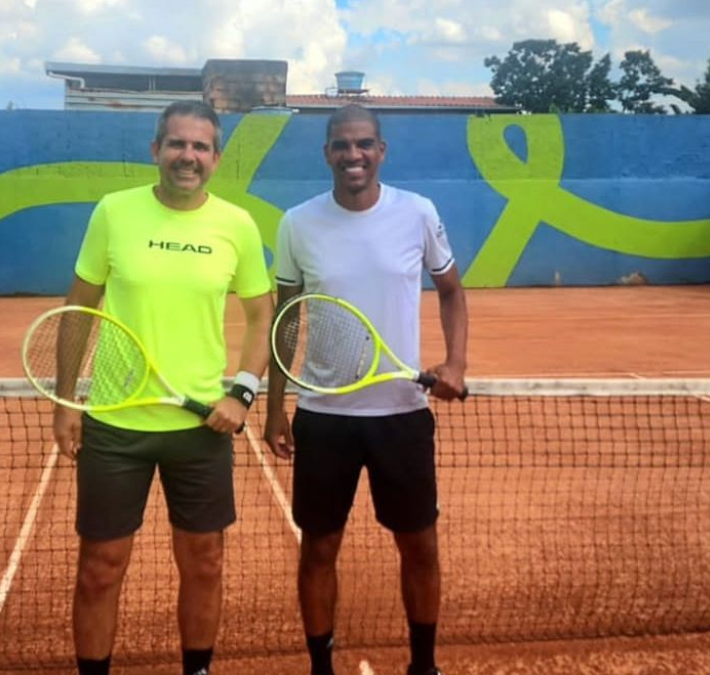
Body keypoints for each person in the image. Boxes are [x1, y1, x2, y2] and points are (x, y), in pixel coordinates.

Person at [54, 100, 274, 675]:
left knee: (205, 563)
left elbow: (261, 317)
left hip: (201, 429)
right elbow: (79, 308)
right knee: (100, 567)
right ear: (156, 150)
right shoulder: (113, 212)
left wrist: (242, 393)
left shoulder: (237, 226)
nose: (188, 156)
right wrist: (64, 400)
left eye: (201, 147)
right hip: (115, 423)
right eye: (177, 144)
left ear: (216, 158)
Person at [263, 103, 468, 675]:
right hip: (324, 417)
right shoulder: (296, 223)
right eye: (341, 145)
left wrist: (455, 361)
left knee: (419, 546)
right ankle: (320, 668)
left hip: (402, 412)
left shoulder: (418, 213)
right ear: (326, 152)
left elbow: (451, 290)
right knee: (319, 549)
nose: (353, 156)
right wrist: (276, 408)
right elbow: (287, 319)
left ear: (381, 151)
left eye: (364, 145)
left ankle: (423, 666)